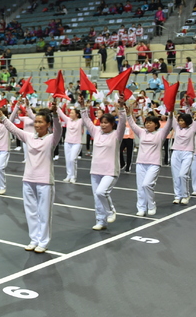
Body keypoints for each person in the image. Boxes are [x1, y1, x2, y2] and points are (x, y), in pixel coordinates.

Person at [0, 101, 61, 253]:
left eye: (40, 122)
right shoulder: (29, 137)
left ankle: (43, 242)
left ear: (48, 124)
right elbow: (13, 128)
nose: (37, 124)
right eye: (36, 121)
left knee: (44, 213)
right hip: (28, 179)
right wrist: (2, 116)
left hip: (45, 181)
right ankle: (34, 239)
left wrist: (55, 114)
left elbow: (59, 129)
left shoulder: (51, 139)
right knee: (31, 212)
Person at [78, 95, 126, 230]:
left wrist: (121, 107)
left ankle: (111, 211)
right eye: (102, 122)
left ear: (112, 124)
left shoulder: (117, 134)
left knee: (101, 192)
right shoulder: (96, 132)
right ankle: (101, 221)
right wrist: (82, 107)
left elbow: (123, 123)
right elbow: (86, 120)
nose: (103, 125)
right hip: (95, 170)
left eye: (106, 123)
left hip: (110, 171)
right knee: (97, 197)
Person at [126, 107, 173, 216]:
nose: (147, 124)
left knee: (147, 184)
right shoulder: (142, 132)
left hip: (154, 164)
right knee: (140, 187)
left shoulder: (161, 133)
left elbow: (169, 125)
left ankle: (151, 206)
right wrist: (128, 114)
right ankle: (141, 208)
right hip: (141, 163)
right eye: (146, 122)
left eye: (150, 123)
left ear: (156, 124)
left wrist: (171, 115)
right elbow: (133, 125)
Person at [169, 101, 196, 204]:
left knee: (183, 175)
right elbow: (171, 117)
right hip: (176, 152)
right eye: (179, 120)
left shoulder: (193, 128)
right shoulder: (176, 127)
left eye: (182, 120)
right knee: (176, 176)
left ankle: (185, 195)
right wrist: (170, 109)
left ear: (187, 121)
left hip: (187, 153)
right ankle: (177, 196)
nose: (180, 122)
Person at [57, 105, 84, 183]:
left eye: (72, 113)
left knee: (72, 159)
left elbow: (86, 117)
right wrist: (56, 106)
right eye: (70, 113)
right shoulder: (68, 120)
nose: (70, 114)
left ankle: (73, 177)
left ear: (77, 114)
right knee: (68, 160)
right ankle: (68, 175)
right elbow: (61, 113)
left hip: (77, 143)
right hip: (67, 142)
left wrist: (83, 107)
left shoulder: (81, 121)